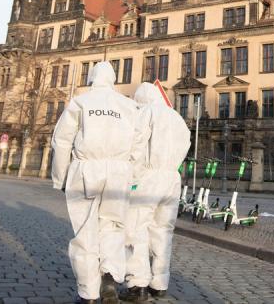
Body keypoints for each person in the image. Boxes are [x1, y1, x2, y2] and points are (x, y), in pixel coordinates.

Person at [52, 61, 147, 304]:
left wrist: (60, 177)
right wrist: (132, 177)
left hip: (87, 169)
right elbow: (139, 145)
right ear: (114, 79)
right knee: (113, 227)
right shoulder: (129, 105)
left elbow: (62, 141)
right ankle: (110, 276)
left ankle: (88, 293)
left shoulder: (81, 101)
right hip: (119, 171)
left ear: (93, 77)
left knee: (86, 231)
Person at [121, 83, 192, 302]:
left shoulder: (146, 112)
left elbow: (137, 145)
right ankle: (160, 283)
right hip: (172, 178)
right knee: (163, 231)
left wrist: (131, 177)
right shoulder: (176, 117)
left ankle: (137, 283)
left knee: (136, 228)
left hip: (148, 176)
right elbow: (186, 143)